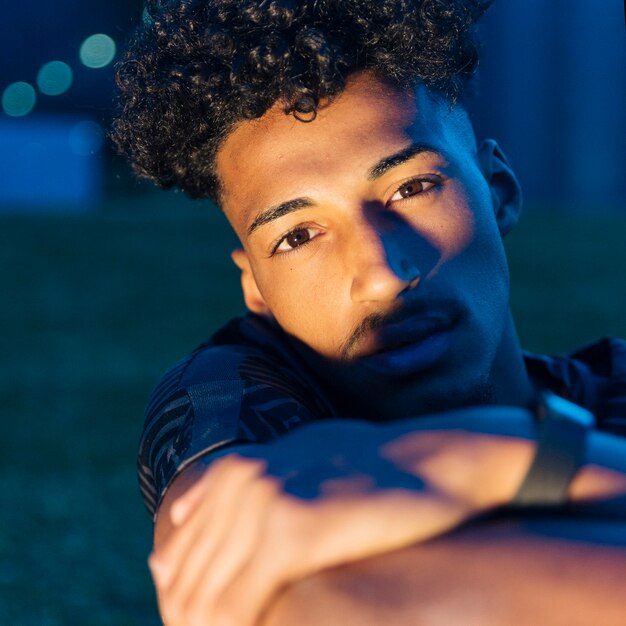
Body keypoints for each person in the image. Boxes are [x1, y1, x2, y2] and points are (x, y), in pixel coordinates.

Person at [112, 1, 626, 625]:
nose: (382, 276)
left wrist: (444, 464)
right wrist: (518, 461)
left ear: (498, 193)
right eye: (298, 236)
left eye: (411, 188)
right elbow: (296, 599)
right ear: (255, 287)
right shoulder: (233, 394)